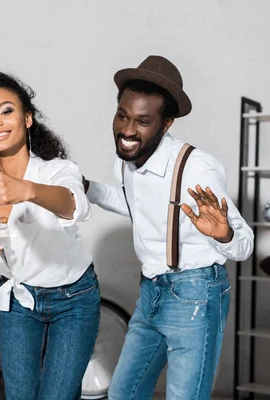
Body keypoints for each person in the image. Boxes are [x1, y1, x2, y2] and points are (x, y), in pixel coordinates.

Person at [83, 55, 254, 400]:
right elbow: (137, 206)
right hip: (152, 292)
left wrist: (224, 234)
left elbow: (245, 243)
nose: (128, 130)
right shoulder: (128, 161)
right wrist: (87, 188)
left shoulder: (197, 169)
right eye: (123, 116)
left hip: (195, 296)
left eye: (143, 121)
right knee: (123, 394)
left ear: (166, 123)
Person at [0, 70, 100, 400]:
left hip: (73, 300)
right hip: (19, 302)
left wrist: (25, 190)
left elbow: (74, 207)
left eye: (6, 111)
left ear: (28, 118)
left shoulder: (56, 170)